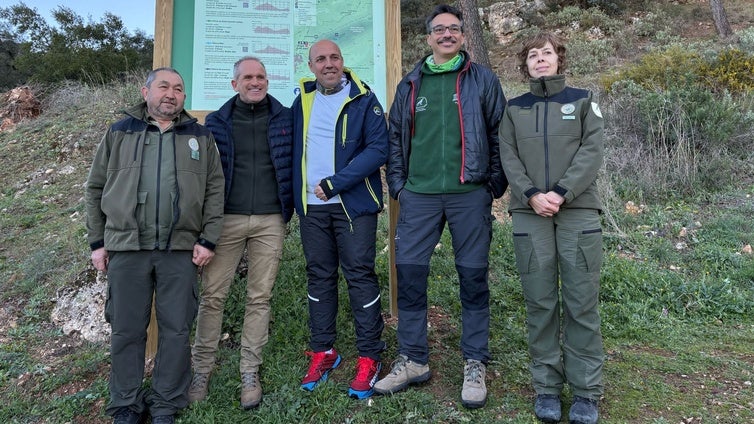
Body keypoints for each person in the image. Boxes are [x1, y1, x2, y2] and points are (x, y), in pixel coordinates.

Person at [375, 4, 507, 409]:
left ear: (464, 36)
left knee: (473, 277)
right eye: (439, 29)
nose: (446, 34)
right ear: (428, 37)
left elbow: (501, 131)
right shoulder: (410, 84)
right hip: (420, 197)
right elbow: (395, 138)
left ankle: (474, 360)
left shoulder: (482, 79)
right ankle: (413, 358)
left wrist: (493, 184)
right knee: (410, 275)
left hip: (470, 194)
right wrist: (400, 186)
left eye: (454, 29)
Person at [85, 67, 224, 424]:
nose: (171, 94)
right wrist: (98, 243)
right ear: (145, 91)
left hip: (179, 249)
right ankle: (126, 405)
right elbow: (95, 188)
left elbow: (214, 191)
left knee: (176, 330)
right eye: (163, 86)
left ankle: (166, 404)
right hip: (127, 248)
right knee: (127, 329)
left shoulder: (200, 137)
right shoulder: (119, 132)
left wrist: (208, 239)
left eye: (178, 89)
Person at [498, 32, 605, 424]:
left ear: (559, 59)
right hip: (530, 213)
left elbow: (592, 152)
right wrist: (530, 195)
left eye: (546, 53)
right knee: (540, 302)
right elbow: (507, 156)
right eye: (532, 55)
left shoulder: (583, 101)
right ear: (524, 64)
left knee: (581, 303)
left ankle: (586, 392)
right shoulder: (513, 109)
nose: (539, 60)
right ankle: (546, 387)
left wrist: (560, 192)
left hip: (577, 210)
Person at [188, 56, 293, 409]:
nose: (255, 82)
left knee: (259, 298)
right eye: (247, 77)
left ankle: (250, 371)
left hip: (270, 221)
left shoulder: (285, 118)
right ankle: (200, 370)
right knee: (213, 297)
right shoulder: (216, 122)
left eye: (261, 76)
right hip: (225, 221)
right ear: (234, 84)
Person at [291, 39, 388, 399]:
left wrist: (335, 183)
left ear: (343, 62)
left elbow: (379, 149)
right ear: (312, 65)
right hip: (311, 209)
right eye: (321, 59)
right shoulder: (301, 101)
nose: (328, 64)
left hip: (352, 206)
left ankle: (370, 356)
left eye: (334, 57)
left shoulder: (364, 99)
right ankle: (324, 351)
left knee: (360, 275)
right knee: (318, 277)